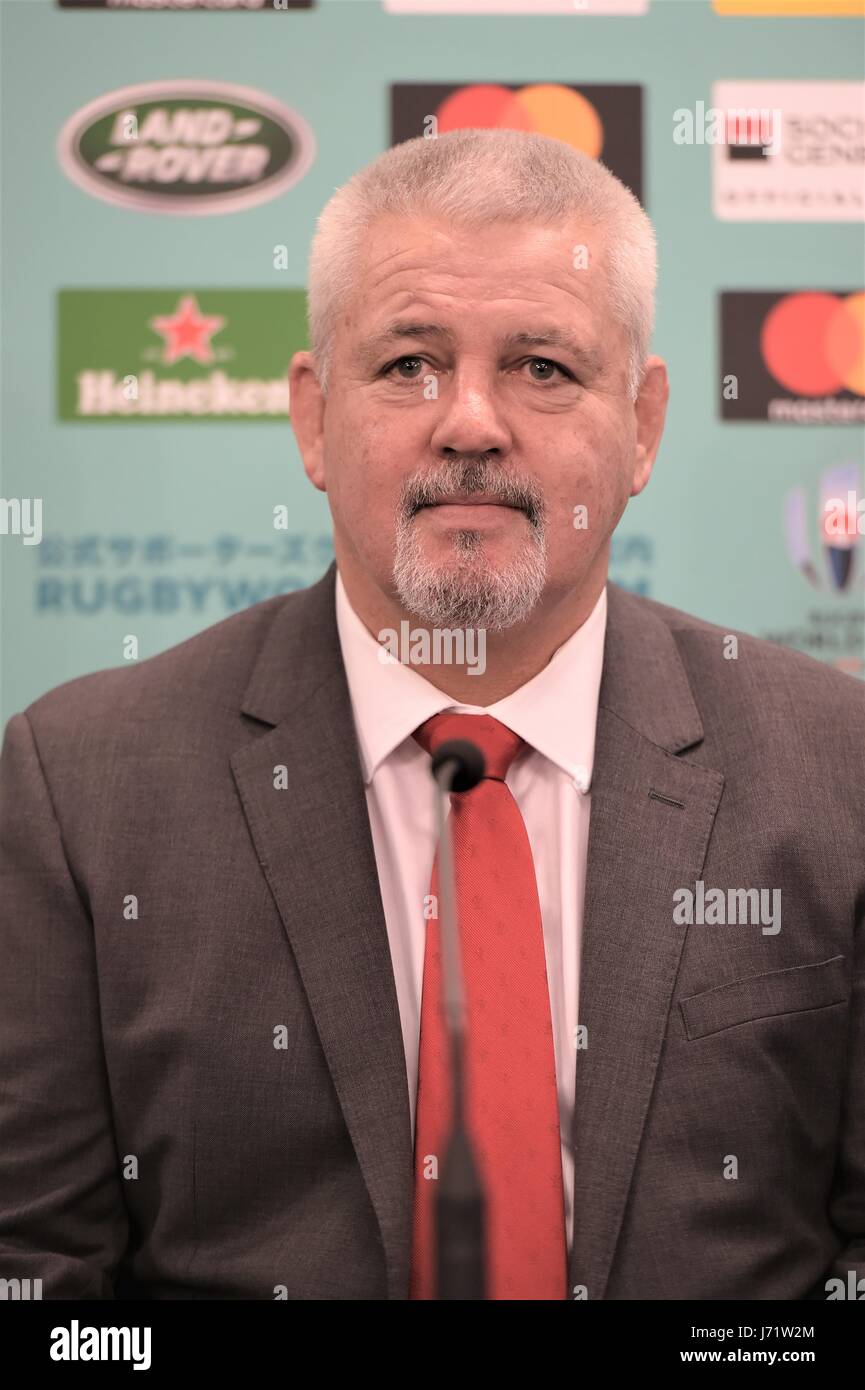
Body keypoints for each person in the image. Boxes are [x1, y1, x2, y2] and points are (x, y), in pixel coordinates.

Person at [1, 129, 862, 1301]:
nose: (469, 422)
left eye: (542, 368)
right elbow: (37, 1271)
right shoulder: (82, 783)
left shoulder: (836, 765)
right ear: (311, 417)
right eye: (408, 363)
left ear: (645, 423)